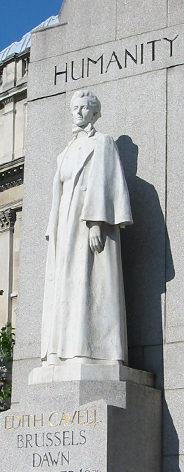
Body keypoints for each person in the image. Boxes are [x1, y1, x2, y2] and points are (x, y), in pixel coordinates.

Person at [41, 89, 133, 368]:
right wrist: (52, 228)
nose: (79, 112)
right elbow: (58, 191)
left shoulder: (103, 143)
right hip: (65, 225)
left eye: (84, 108)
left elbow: (106, 182)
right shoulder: (64, 152)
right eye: (75, 108)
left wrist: (96, 221)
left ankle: (87, 348)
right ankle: (59, 350)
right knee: (65, 287)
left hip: (87, 223)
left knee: (87, 284)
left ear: (95, 113)